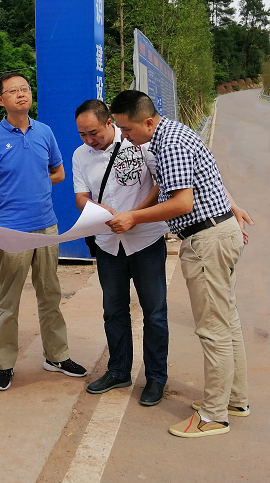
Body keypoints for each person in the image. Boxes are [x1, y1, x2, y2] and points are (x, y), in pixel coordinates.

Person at [106, 90, 254, 439]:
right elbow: (192, 183)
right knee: (227, 323)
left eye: (127, 129)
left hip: (207, 240)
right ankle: (234, 399)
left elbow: (182, 203)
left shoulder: (169, 143)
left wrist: (133, 218)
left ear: (147, 122)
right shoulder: (172, 134)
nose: (124, 136)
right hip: (217, 233)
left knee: (213, 329)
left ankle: (214, 415)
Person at [0, 72, 88, 391]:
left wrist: (36, 182)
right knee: (9, 301)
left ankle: (56, 356)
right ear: (1, 100)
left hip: (46, 226)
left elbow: (58, 172)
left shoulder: (44, 132)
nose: (21, 94)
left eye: (25, 89)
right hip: (10, 231)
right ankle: (5, 364)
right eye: (13, 91)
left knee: (50, 294)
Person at [71, 100, 170, 406]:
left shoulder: (138, 143)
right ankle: (118, 371)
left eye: (94, 133)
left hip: (146, 240)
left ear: (109, 123)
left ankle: (156, 377)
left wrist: (134, 216)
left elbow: (160, 185)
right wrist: (101, 211)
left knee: (154, 312)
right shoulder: (80, 155)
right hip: (108, 244)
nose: (89, 140)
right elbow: (80, 198)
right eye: (83, 134)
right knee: (113, 310)